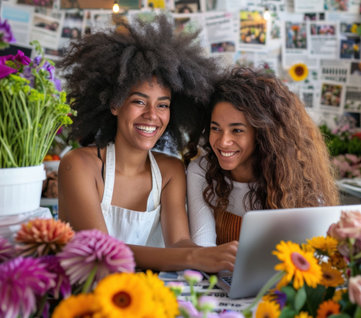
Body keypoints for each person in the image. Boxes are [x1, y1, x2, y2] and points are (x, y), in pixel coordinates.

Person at [57, 15, 237, 272]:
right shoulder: (79, 166)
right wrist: (195, 258)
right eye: (139, 101)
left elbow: (179, 243)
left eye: (162, 105)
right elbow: (101, 252)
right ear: (115, 104)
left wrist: (218, 255)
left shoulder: (170, 170)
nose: (152, 115)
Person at [187, 66, 340, 247]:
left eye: (237, 130)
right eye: (215, 128)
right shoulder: (201, 170)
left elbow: (315, 249)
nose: (223, 141)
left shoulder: (296, 178)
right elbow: (203, 247)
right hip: (215, 275)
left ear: (262, 133)